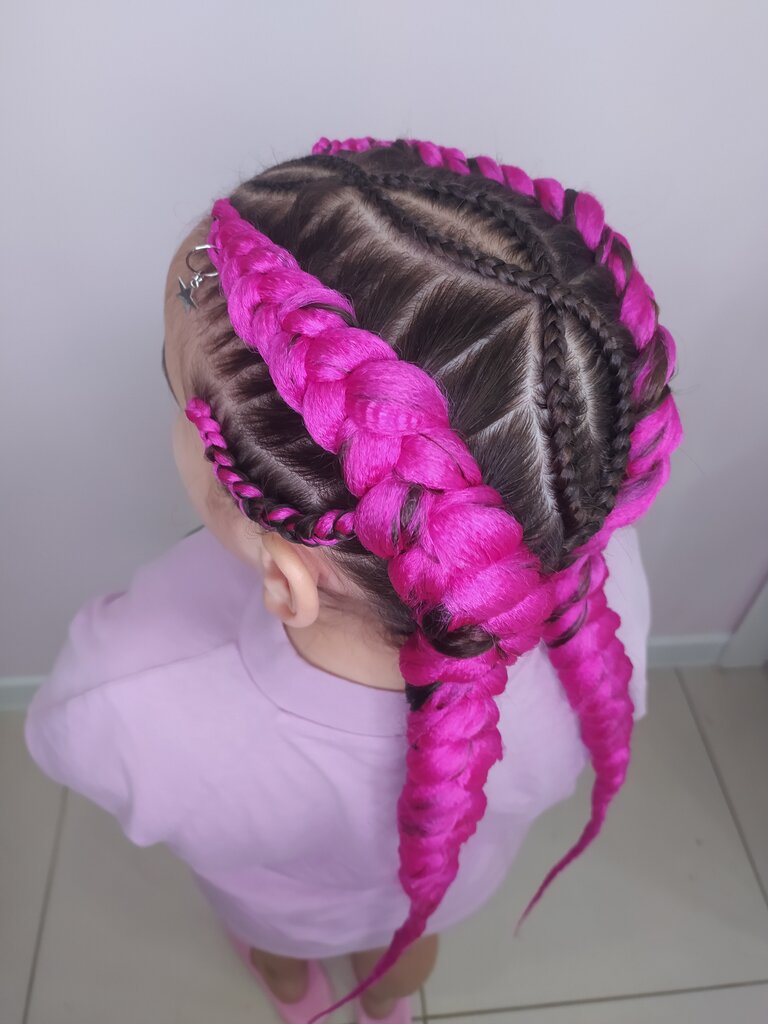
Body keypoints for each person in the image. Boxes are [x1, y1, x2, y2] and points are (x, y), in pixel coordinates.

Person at [24, 135, 683, 1024]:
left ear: (288, 580)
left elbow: (65, 739)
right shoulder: (607, 595)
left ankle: (292, 988)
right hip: (450, 888)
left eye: (176, 392)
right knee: (410, 947)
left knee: (280, 948)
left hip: (281, 910)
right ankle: (389, 999)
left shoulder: (134, 688)